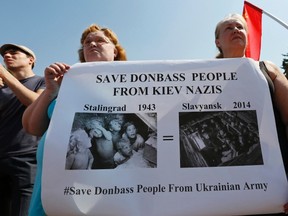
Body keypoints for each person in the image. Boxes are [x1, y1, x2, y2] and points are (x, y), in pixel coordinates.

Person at [22, 24, 127, 215]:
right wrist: (51, 91)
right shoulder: (65, 82)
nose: (92, 44)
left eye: (100, 40)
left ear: (115, 51)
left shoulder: (136, 80)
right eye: (87, 42)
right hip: (53, 189)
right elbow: (31, 126)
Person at [215, 13, 288, 215]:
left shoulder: (267, 68)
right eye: (229, 28)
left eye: (240, 27)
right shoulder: (200, 78)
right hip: (223, 193)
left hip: (275, 190)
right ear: (218, 42)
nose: (236, 30)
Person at [0, 44, 45, 216]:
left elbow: (36, 103)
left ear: (31, 60)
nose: (7, 56)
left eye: (14, 52)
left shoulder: (42, 81)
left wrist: (5, 75)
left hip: (26, 160)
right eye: (5, 54)